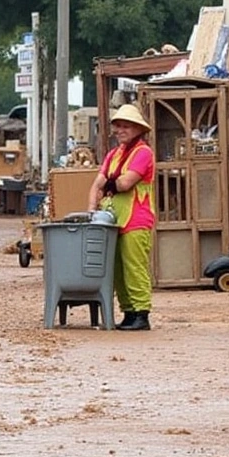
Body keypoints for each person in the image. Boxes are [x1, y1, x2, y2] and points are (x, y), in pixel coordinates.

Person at [87, 103, 155, 331]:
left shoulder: (143, 152)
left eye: (125, 126)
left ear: (137, 129)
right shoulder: (113, 155)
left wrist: (104, 185)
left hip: (136, 218)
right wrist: (91, 213)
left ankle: (141, 313)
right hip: (111, 220)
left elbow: (125, 183)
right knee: (116, 268)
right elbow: (95, 186)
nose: (120, 131)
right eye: (117, 127)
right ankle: (128, 311)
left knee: (134, 267)